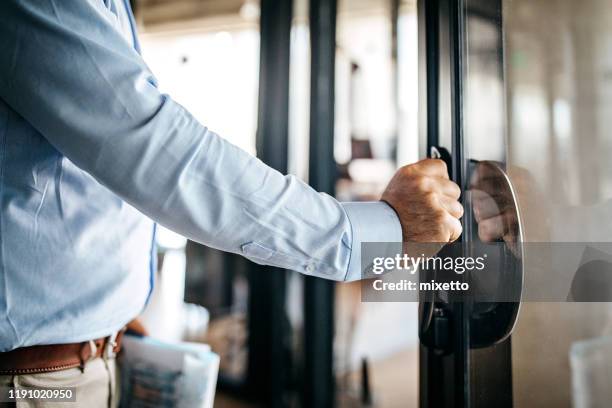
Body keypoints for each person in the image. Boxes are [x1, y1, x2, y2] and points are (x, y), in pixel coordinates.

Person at [0, 0, 463, 406]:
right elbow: (157, 151)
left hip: (88, 358)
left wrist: (113, 319)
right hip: (31, 384)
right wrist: (367, 234)